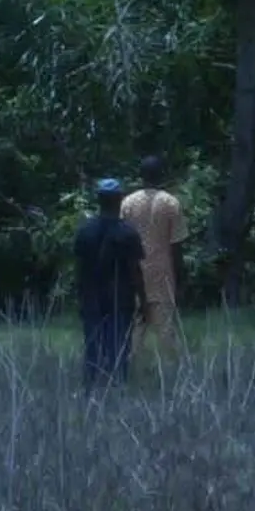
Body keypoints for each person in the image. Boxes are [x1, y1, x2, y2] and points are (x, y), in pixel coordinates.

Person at [74, 179, 145, 390]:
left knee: (93, 349)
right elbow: (135, 271)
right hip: (120, 300)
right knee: (119, 350)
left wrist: (80, 298)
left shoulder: (85, 231)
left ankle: (91, 391)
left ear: (98, 200)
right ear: (119, 200)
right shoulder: (128, 233)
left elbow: (79, 269)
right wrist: (145, 299)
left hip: (92, 300)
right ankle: (117, 390)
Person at [119, 157, 188, 363]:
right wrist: (182, 278)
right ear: (162, 176)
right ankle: (177, 374)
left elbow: (121, 241)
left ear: (141, 176)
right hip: (163, 276)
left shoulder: (128, 203)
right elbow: (176, 246)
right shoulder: (170, 203)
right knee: (167, 332)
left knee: (134, 332)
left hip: (134, 275)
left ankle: (126, 374)